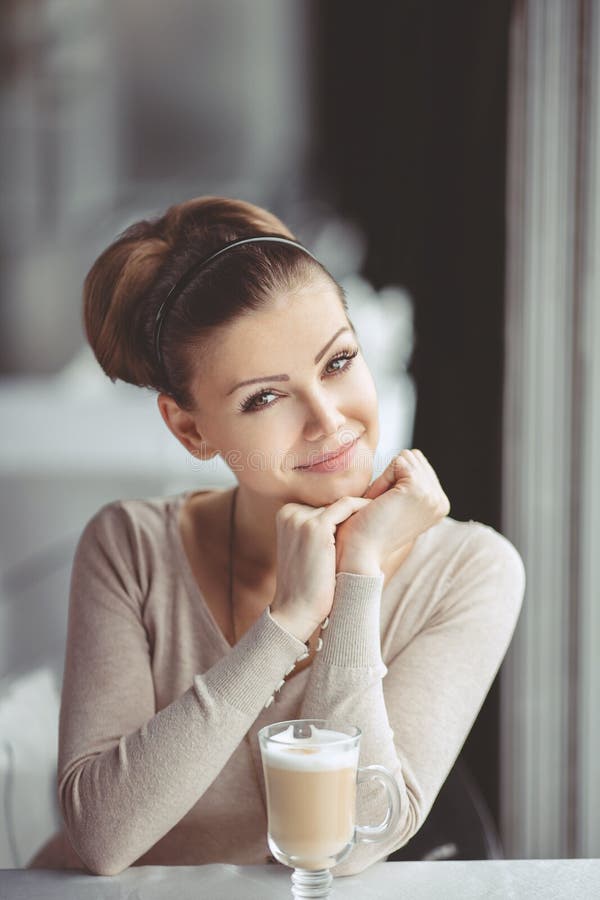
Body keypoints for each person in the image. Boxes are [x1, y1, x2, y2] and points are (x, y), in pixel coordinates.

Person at [27, 196, 525, 877]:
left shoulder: (474, 570)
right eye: (264, 397)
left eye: (339, 361)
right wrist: (284, 625)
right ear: (191, 430)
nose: (327, 419)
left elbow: (350, 839)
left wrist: (358, 577)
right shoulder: (130, 548)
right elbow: (102, 839)